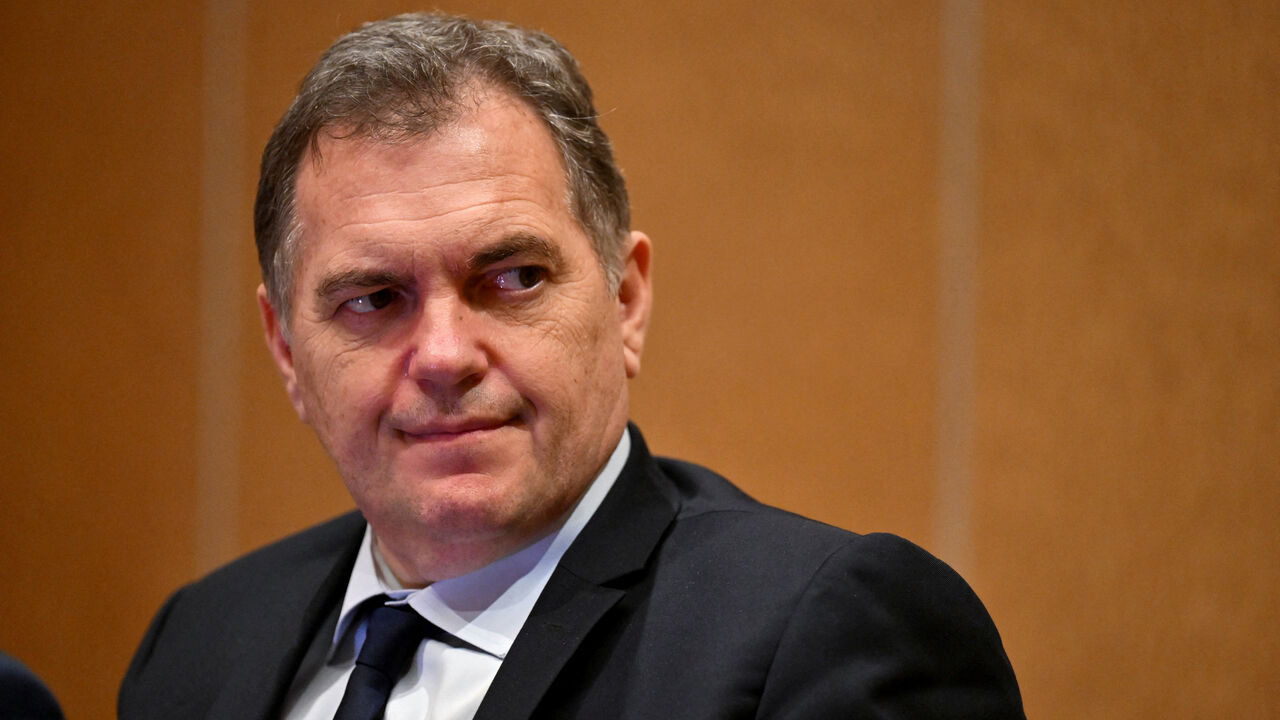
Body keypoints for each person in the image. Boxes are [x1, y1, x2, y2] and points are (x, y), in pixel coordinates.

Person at [119, 12, 1024, 720]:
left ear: (625, 300)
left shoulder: (824, 636)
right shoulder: (198, 644)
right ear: (285, 347)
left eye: (512, 278)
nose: (443, 356)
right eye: (374, 299)